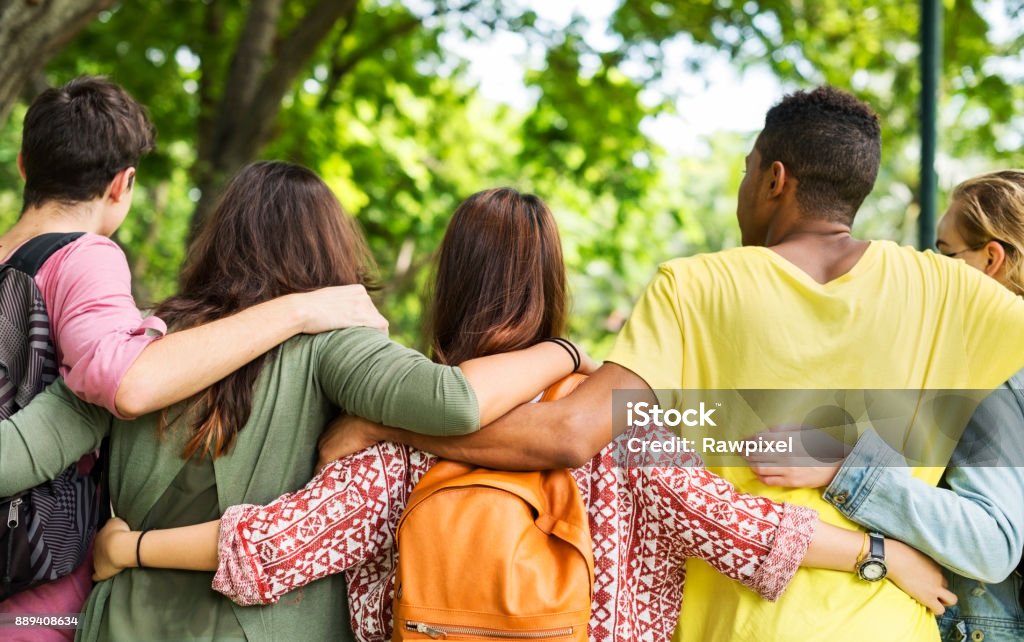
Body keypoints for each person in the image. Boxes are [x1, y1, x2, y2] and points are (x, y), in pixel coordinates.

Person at [314, 88, 1024, 641]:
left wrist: (397, 428)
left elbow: (570, 435)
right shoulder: (955, 292)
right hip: (887, 619)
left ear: (775, 179)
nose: (741, 189)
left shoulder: (697, 285)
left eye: (746, 171)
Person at [92, 187, 949, 641]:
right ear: (553, 285)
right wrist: (882, 555)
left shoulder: (391, 427)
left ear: (448, 283)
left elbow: (271, 550)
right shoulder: (617, 422)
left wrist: (129, 546)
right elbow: (742, 524)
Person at [0, 163, 596, 641]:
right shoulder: (335, 348)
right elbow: (456, 400)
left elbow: (15, 456)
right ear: (329, 249)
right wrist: (567, 351)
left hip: (123, 624)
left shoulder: (145, 346)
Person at [0, 77, 383, 641]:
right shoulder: (86, 256)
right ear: (123, 184)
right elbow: (125, 381)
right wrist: (300, 310)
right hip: (37, 583)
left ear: (24, 165)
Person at [749, 169, 1024, 642]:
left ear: (991, 260)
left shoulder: (991, 375)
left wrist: (844, 465)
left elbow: (992, 543)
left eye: (945, 252)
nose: (931, 267)